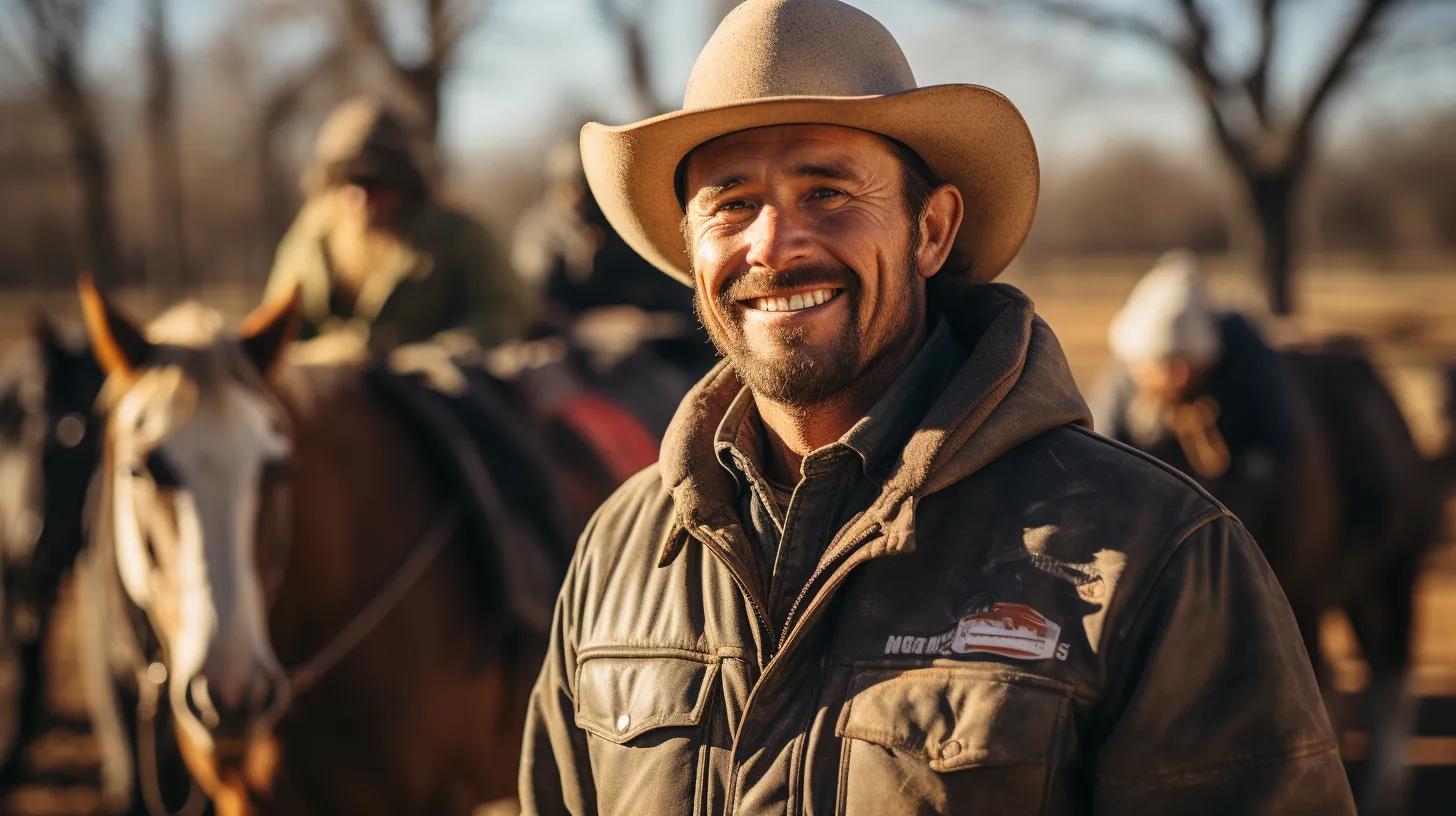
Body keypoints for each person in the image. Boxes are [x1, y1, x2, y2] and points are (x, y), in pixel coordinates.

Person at [519, 1, 1354, 814]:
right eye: (731, 203)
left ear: (932, 231)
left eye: (828, 193)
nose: (772, 245)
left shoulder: (1151, 555)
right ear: (693, 244)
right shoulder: (619, 553)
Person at [265, 98, 532, 357]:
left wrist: (435, 355)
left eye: (375, 183)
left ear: (405, 183)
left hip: (427, 390)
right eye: (348, 180)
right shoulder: (313, 239)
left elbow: (502, 313)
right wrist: (324, 355)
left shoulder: (456, 236)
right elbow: (278, 326)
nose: (360, 198)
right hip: (328, 388)